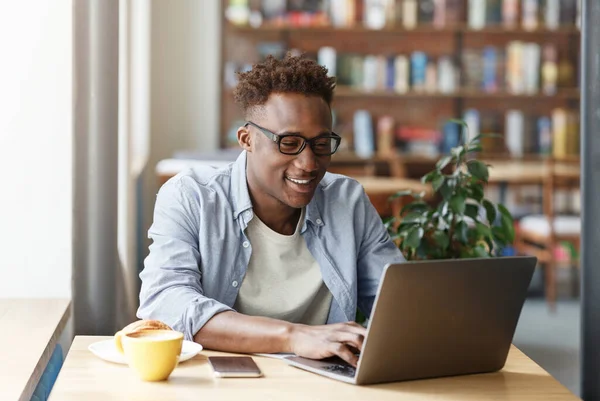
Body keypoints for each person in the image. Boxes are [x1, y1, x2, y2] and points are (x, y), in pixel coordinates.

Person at [138, 54, 405, 367]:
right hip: (219, 381)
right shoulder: (191, 196)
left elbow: (396, 305)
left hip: (322, 383)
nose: (309, 164)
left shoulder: (347, 201)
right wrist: (292, 336)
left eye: (321, 144)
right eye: (289, 143)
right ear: (246, 139)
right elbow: (166, 304)